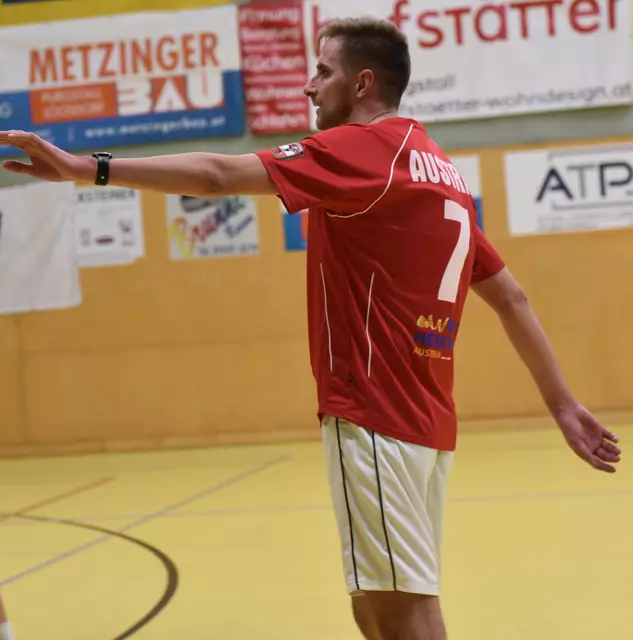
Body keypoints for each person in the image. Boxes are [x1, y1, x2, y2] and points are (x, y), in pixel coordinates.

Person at [0, 17, 621, 640]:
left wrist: (87, 168)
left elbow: (217, 176)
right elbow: (511, 296)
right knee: (373, 603)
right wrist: (562, 404)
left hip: (375, 411)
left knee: (404, 611)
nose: (308, 85)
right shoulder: (439, 171)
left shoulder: (360, 151)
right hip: (426, 420)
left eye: (323, 71)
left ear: (363, 83)